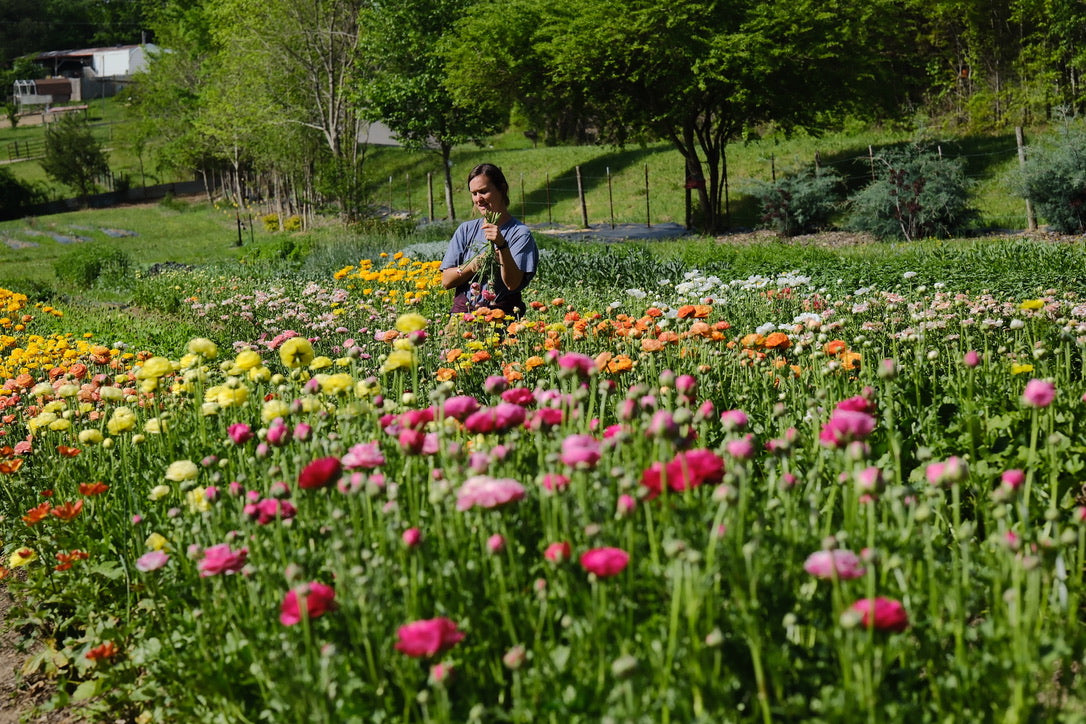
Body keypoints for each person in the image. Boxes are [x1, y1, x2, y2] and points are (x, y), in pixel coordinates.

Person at [441, 164, 538, 318]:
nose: (478, 199)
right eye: (474, 193)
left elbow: (513, 284)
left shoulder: (519, 233)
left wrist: (502, 245)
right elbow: (446, 281)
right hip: (463, 316)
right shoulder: (466, 230)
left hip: (500, 319)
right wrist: (474, 264)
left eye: (484, 191)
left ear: (502, 189)